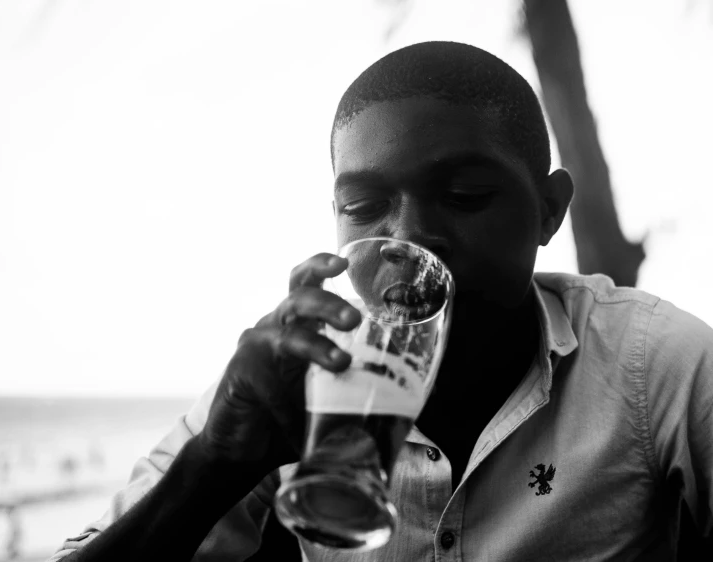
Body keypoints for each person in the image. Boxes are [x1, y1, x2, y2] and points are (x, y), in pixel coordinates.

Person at [48, 41, 713, 561]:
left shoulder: (649, 365)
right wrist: (214, 462)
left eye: (463, 197)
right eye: (363, 207)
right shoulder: (289, 376)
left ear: (547, 210)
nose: (405, 239)